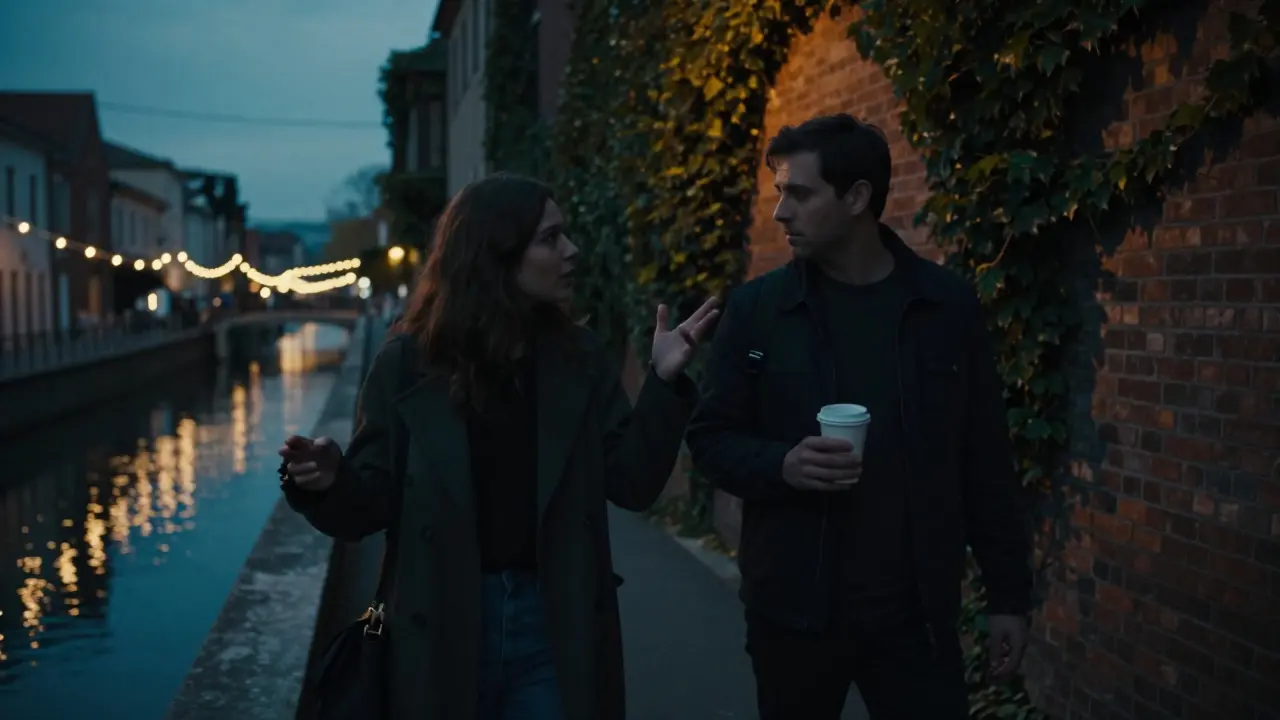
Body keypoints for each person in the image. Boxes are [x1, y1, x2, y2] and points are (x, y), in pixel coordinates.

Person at [279, 173, 720, 720]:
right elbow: (369, 503)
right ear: (496, 254)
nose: (571, 251)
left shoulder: (577, 358)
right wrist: (327, 479)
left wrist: (664, 383)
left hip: (553, 621)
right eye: (550, 239)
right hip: (440, 620)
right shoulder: (407, 363)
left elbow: (631, 482)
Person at [685, 114, 1032, 719]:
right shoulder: (759, 310)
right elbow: (710, 438)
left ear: (857, 198)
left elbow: (985, 459)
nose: (780, 214)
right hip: (791, 615)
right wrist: (783, 464)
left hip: (915, 619)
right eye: (779, 194)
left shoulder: (944, 308)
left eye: (799, 194)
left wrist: (1009, 595)